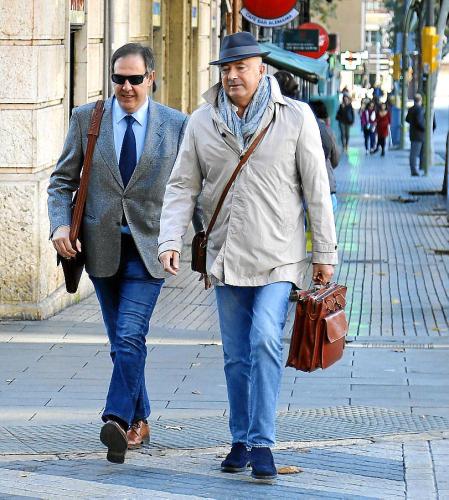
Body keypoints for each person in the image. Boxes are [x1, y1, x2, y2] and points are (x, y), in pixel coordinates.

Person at [157, 32, 337, 481]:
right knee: (236, 355)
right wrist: (169, 240)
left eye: (241, 67)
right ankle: (240, 438)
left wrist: (324, 253)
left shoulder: (295, 117)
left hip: (280, 256)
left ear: (261, 69)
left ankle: (263, 443)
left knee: (264, 340)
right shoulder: (202, 122)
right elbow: (182, 186)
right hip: (225, 256)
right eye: (226, 68)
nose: (232, 75)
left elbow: (317, 189)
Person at [47, 43, 191, 464]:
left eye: (134, 79)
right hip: (100, 247)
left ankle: (116, 417)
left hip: (149, 250)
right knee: (121, 342)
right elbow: (61, 182)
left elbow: (189, 189)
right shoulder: (87, 119)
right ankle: (139, 419)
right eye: (118, 79)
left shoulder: (175, 125)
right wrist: (59, 226)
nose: (126, 87)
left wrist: (199, 242)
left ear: (151, 78)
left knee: (129, 335)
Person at [309, 100, 340, 212]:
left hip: (308, 187)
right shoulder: (328, 131)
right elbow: (336, 159)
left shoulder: (304, 129)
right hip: (327, 183)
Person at [405, 94, 425, 176]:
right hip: (419, 134)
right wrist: (425, 128)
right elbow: (419, 122)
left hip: (413, 133)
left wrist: (412, 123)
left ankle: (419, 168)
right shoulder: (419, 109)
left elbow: (407, 119)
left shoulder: (411, 109)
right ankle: (414, 170)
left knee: (415, 152)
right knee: (415, 153)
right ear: (420, 100)